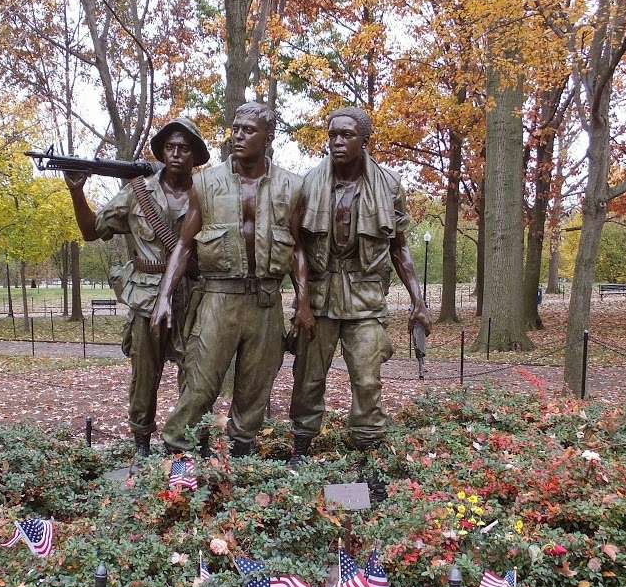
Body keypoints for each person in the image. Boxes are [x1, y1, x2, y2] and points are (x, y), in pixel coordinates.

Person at [151, 101, 315, 457]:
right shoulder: (206, 183)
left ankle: (241, 469)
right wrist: (164, 296)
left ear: (268, 138)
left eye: (248, 130)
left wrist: (304, 304)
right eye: (235, 128)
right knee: (199, 386)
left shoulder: (292, 186)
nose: (238, 136)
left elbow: (299, 250)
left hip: (265, 303)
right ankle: (178, 463)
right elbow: (184, 245)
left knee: (255, 392)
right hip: (217, 300)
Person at [289, 107, 431, 458]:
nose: (337, 141)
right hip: (320, 297)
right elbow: (297, 249)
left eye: (346, 135)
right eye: (332, 134)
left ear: (365, 140)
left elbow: (399, 247)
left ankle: (368, 452)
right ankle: (301, 449)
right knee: (308, 379)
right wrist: (302, 302)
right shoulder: (307, 183)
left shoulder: (389, 185)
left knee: (367, 381)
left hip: (365, 297)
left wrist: (418, 299)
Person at [64, 117, 210, 456]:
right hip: (146, 297)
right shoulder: (137, 192)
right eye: (169, 147)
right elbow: (90, 232)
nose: (175, 153)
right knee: (145, 375)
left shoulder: (209, 193)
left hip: (194, 295)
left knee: (197, 375)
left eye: (184, 148)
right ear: (161, 152)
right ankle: (142, 445)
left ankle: (189, 447)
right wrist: (76, 191)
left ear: (195, 156)